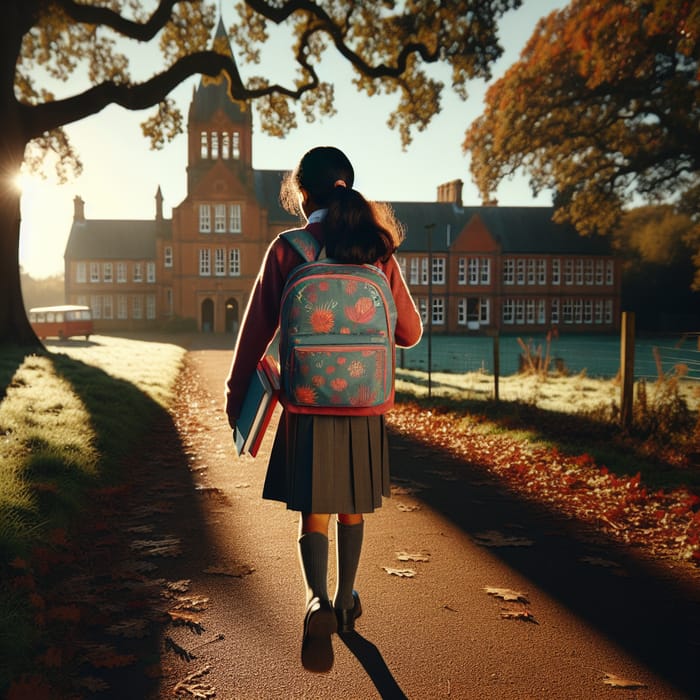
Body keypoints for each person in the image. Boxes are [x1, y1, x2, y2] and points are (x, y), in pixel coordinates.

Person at [224, 146, 422, 673]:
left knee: (314, 510)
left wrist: (235, 392)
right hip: (364, 406)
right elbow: (409, 331)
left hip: (306, 404)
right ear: (347, 186)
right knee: (351, 505)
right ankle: (348, 598)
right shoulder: (375, 247)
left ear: (302, 192)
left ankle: (316, 600)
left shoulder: (288, 248)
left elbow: (256, 331)